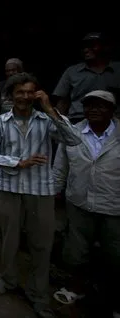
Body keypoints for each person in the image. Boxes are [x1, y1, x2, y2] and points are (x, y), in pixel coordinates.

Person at [0, 73, 82, 318]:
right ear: (11, 95)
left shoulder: (45, 120)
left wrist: (50, 108)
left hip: (41, 191)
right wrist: (19, 163)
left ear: (36, 94)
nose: (25, 97)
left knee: (41, 245)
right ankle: (8, 279)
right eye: (20, 92)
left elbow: (73, 139)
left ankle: (39, 294)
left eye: (29, 92)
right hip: (10, 189)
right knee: (9, 241)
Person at [53, 90, 120, 317]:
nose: (94, 110)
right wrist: (54, 192)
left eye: (101, 106)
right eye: (89, 105)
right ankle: (76, 289)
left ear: (112, 110)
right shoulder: (73, 132)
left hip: (114, 206)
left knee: (115, 256)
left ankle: (112, 300)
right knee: (76, 251)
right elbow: (60, 166)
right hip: (79, 202)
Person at [53, 32, 120, 123]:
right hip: (78, 121)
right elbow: (62, 103)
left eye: (92, 46)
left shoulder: (117, 70)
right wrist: (60, 125)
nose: (86, 50)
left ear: (105, 47)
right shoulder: (72, 71)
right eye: (84, 47)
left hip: (113, 123)